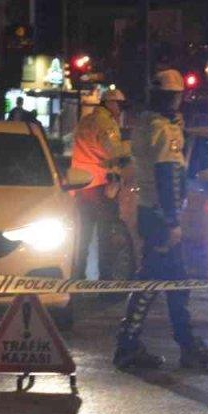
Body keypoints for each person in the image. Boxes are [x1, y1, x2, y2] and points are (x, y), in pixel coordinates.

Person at [113, 69, 208, 370]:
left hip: (153, 213)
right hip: (161, 216)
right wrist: (173, 220)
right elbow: (167, 175)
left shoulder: (149, 124)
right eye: (175, 96)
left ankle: (179, 345)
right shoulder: (161, 129)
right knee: (156, 281)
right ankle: (134, 346)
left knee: (168, 282)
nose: (178, 102)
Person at [71, 88, 131, 281]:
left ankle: (77, 278)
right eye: (119, 105)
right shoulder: (106, 123)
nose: (120, 110)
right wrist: (133, 145)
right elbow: (112, 151)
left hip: (80, 186)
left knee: (82, 237)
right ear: (111, 104)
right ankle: (106, 282)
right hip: (101, 187)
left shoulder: (86, 120)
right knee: (106, 237)